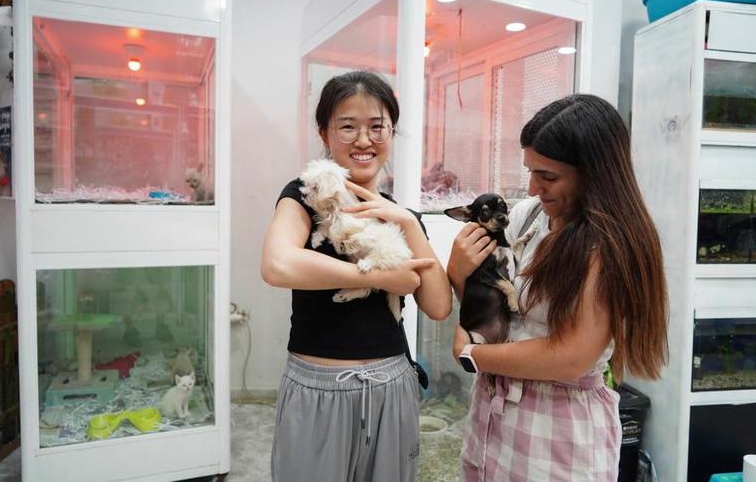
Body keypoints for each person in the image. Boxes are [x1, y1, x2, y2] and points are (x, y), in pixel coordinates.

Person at [447, 94, 668, 481]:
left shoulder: (605, 245)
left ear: (593, 174)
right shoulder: (528, 217)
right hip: (494, 417)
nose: (533, 188)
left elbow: (571, 357)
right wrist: (459, 273)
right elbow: (492, 308)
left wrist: (473, 355)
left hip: (556, 429)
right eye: (530, 171)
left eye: (547, 176)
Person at [261, 70, 452, 482]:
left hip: (392, 385)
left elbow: (438, 306)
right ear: (324, 133)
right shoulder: (305, 196)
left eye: (376, 126)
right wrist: (381, 278)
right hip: (318, 389)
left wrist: (410, 223)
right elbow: (277, 265)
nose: (363, 140)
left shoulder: (402, 213)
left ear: (391, 131)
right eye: (348, 126)